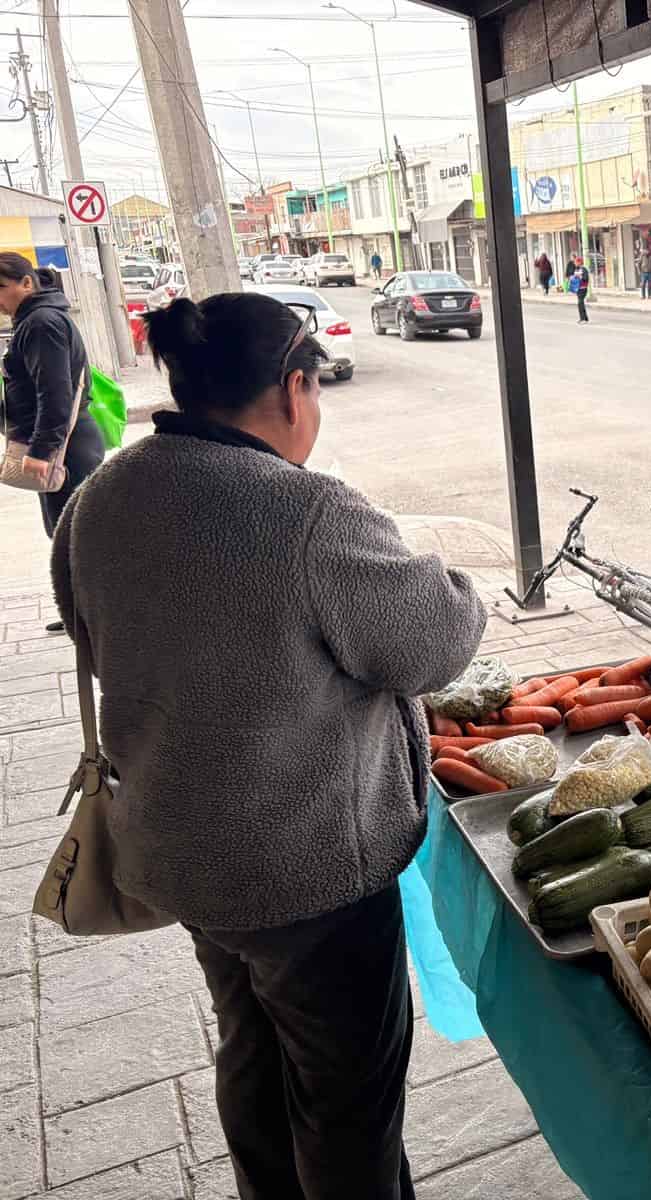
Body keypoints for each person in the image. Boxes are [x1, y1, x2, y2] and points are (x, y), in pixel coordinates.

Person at [50, 291, 486, 1199]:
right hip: (310, 874)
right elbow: (435, 645)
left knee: (250, 1052)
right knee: (346, 1100)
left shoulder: (99, 500)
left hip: (184, 857)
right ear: (293, 389)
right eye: (316, 392)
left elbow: (86, 625)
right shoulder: (306, 514)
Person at [0, 253, 104, 633]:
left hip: (66, 445)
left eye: (1, 288)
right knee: (67, 531)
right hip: (65, 441)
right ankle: (80, 611)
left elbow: (55, 392)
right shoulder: (35, 319)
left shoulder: (42, 323)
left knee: (74, 532)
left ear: (27, 283)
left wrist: (42, 450)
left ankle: (92, 615)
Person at [571, 255, 590, 324]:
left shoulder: (583, 269)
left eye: (576, 262)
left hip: (583, 289)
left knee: (580, 303)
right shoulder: (577, 269)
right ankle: (584, 318)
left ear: (579, 262)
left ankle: (583, 319)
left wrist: (580, 276)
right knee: (580, 304)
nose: (575, 263)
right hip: (578, 288)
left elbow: (586, 278)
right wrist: (573, 277)